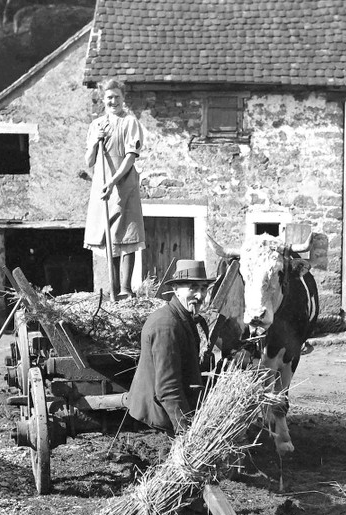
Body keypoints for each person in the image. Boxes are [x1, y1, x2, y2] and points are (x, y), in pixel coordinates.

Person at [126, 260, 215, 434]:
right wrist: (187, 430)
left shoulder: (183, 318)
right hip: (159, 412)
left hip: (171, 407)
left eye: (203, 288)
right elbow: (168, 387)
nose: (200, 295)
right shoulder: (166, 326)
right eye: (192, 288)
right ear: (175, 289)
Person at [84, 78, 146, 300]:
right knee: (108, 235)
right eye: (109, 97)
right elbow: (89, 160)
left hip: (124, 182)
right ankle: (113, 289)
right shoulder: (96, 125)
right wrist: (95, 142)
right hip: (102, 185)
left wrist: (114, 181)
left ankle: (126, 289)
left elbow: (131, 156)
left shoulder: (130, 122)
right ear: (103, 100)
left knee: (127, 235)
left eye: (117, 97)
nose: (113, 101)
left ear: (123, 98)